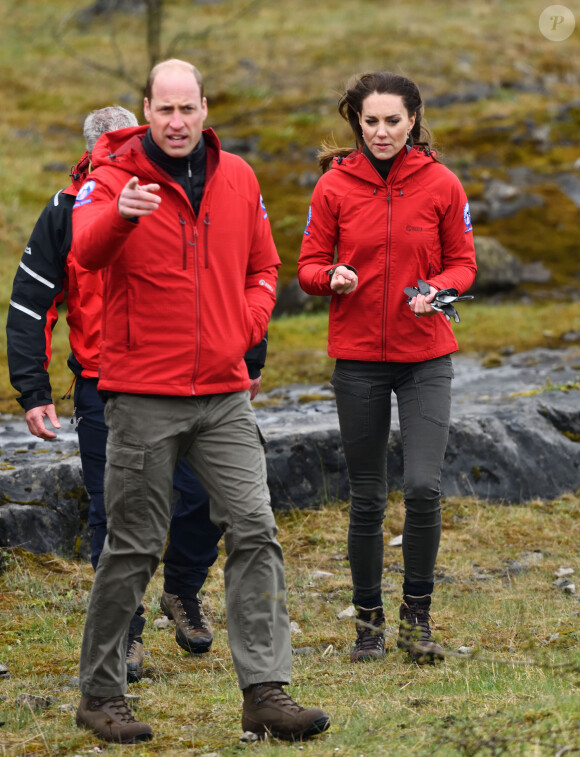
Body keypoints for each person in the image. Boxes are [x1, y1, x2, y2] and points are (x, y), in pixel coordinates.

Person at [70, 59, 330, 744]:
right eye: (165, 110)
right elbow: (86, 252)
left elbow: (264, 265)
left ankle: (266, 691)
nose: (177, 122)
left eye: (189, 109)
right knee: (131, 545)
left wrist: (243, 327)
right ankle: (101, 693)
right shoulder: (110, 179)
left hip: (222, 395)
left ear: (205, 110)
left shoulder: (238, 177)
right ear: (146, 111)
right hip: (141, 396)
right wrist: (121, 218)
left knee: (256, 527)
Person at [5, 105, 235, 683]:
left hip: (179, 375)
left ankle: (181, 589)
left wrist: (241, 352)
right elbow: (30, 306)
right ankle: (126, 638)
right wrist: (33, 389)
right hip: (101, 386)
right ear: (93, 152)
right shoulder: (65, 211)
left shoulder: (180, 193)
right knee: (116, 512)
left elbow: (225, 275)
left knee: (206, 498)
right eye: (112, 146)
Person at [298, 71, 477, 665]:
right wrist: (333, 277)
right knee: (368, 497)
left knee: (423, 488)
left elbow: (464, 266)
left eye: (392, 122)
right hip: (358, 363)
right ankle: (368, 625)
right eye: (369, 121)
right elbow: (307, 266)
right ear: (355, 120)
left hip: (425, 357)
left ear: (413, 120)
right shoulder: (333, 187)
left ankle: (416, 622)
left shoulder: (443, 184)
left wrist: (440, 292)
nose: (380, 132)